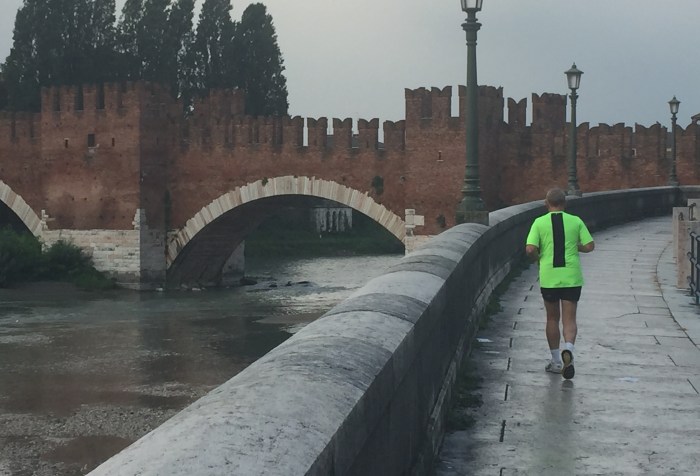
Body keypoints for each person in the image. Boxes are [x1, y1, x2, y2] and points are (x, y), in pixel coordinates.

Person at [525, 188, 594, 379]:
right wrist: (576, 247)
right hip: (571, 276)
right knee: (570, 319)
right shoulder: (575, 221)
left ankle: (556, 361)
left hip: (549, 277)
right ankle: (569, 349)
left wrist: (537, 258)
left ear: (546, 203)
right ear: (565, 203)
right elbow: (590, 246)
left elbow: (530, 249)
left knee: (552, 319)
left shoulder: (539, 222)